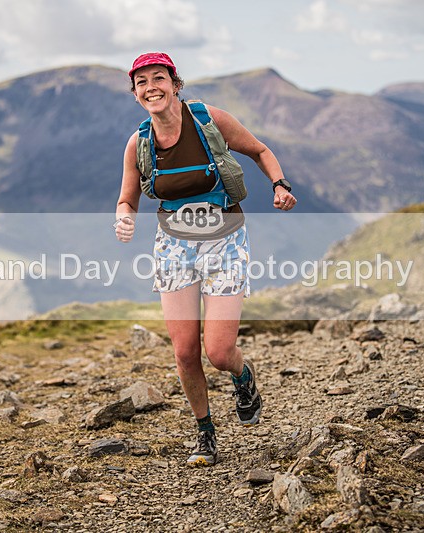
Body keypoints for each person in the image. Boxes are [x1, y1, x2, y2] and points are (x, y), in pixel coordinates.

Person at [114, 52, 296, 466]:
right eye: (141, 83)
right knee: (183, 352)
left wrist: (279, 184)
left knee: (217, 351)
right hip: (174, 246)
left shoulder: (208, 120)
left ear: (175, 84)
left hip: (225, 240)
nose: (150, 87)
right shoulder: (138, 143)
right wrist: (124, 218)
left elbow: (260, 150)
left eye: (158, 78)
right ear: (136, 94)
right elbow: (128, 198)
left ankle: (243, 375)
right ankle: (205, 433)